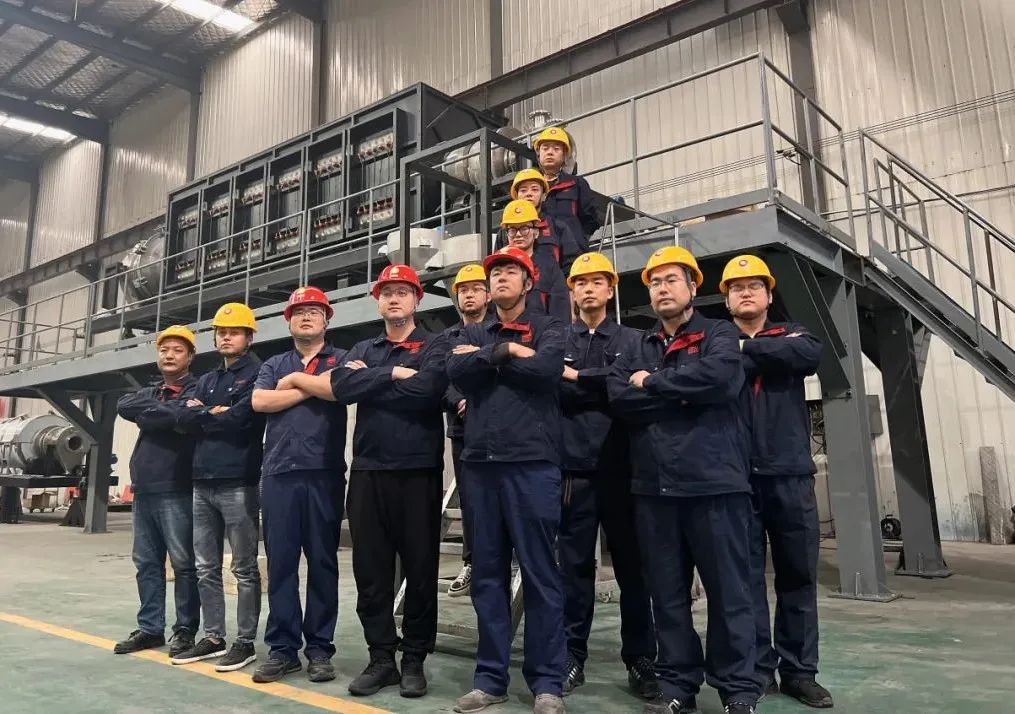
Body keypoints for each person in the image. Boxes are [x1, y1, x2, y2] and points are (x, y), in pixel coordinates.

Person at [279, 264, 448, 699]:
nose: (394, 298)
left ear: (417, 299)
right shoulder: (363, 348)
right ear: (378, 300)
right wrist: (393, 374)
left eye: (402, 292)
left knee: (420, 569)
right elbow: (343, 386)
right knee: (370, 571)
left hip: (417, 471)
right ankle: (381, 658)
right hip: (368, 472)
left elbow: (428, 391)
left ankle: (414, 659)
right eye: (386, 292)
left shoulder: (435, 344)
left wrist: (370, 380)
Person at [607, 246, 759, 714]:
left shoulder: (718, 333)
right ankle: (677, 686)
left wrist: (652, 384)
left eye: (672, 279)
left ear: (693, 286)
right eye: (655, 282)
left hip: (715, 484)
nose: (662, 289)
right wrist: (684, 392)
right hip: (655, 489)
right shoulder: (637, 345)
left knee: (729, 594)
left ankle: (738, 691)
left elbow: (721, 381)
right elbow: (619, 398)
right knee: (667, 596)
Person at [448, 246, 567, 714]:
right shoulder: (475, 331)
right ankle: (490, 679)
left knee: (540, 574)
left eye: (510, 272)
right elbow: (455, 370)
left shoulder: (549, 327)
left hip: (532, 463)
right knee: (487, 576)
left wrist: (487, 361)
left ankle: (547, 683)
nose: (500, 278)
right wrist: (506, 350)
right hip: (480, 465)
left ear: (528, 282)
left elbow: (547, 369)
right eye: (495, 272)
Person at [719, 255, 832, 709]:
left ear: (768, 295)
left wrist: (746, 352)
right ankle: (758, 670)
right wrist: (755, 354)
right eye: (736, 287)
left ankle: (800, 672)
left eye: (754, 286)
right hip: (737, 480)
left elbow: (808, 355)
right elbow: (714, 370)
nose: (745, 293)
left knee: (797, 576)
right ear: (726, 300)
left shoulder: (794, 332)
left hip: (790, 476)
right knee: (744, 580)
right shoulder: (717, 339)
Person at [557, 253, 658, 700]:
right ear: (572, 292)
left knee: (633, 570)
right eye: (581, 283)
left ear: (610, 289)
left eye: (597, 282)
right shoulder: (559, 338)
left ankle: (641, 658)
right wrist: (611, 383)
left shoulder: (634, 340)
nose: (589, 289)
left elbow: (632, 392)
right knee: (574, 569)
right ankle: (570, 655)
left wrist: (579, 378)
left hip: (625, 470)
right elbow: (556, 388)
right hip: (574, 472)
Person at [249, 287, 348, 684]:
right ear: (288, 321)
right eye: (299, 312)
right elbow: (260, 402)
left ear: (326, 320)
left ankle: (320, 649)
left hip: (324, 472)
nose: (306, 317)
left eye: (314, 311)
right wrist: (310, 385)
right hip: (278, 474)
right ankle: (283, 649)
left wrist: (291, 384)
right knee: (282, 563)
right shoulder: (274, 363)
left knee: (323, 562)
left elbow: (338, 390)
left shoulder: (342, 359)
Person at [172, 302, 266, 673]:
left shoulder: (258, 373)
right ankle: (213, 637)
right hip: (201, 481)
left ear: (249, 337)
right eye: (221, 332)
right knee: (205, 566)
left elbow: (243, 420)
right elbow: (183, 417)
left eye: (234, 332)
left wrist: (206, 414)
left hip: (238, 481)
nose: (226, 337)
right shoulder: (207, 379)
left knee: (244, 567)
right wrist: (210, 413)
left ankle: (244, 642)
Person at [113, 325, 201, 658]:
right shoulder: (152, 391)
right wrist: (165, 413)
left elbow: (186, 415)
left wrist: (155, 415)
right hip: (144, 490)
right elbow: (124, 405)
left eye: (177, 350)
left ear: (190, 356)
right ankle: (150, 628)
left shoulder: (198, 388)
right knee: (147, 563)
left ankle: (185, 631)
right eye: (164, 350)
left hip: (178, 487)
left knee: (184, 564)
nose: (169, 355)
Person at [443, 264, 492, 598]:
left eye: (476, 289)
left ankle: (508, 556)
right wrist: (459, 401)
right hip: (463, 432)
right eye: (463, 290)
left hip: (499, 430)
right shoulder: (448, 338)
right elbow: (441, 377)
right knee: (471, 501)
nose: (469, 294)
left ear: (487, 295)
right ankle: (472, 561)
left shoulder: (500, 331)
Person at [533, 126, 601, 272]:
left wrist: (576, 239)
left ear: (564, 156)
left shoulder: (577, 184)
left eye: (556, 149)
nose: (550, 152)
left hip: (573, 258)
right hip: (542, 257)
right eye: (545, 148)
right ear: (538, 154)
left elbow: (591, 219)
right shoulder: (531, 188)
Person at [500, 198, 571, 323]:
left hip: (542, 333)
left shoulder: (549, 267)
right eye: (512, 230)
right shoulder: (497, 268)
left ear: (536, 233)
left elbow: (561, 312)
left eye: (524, 228)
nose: (518, 234)